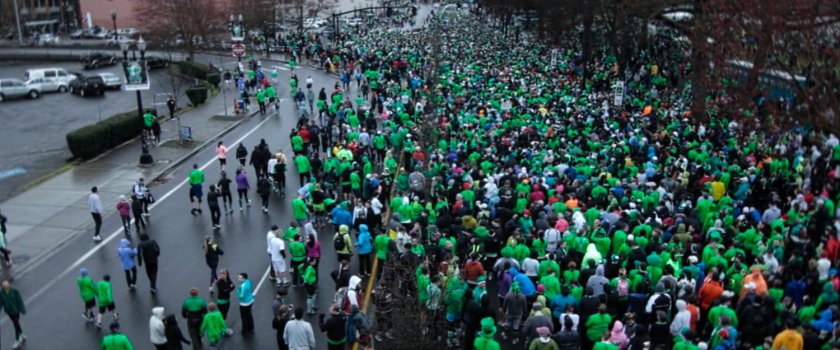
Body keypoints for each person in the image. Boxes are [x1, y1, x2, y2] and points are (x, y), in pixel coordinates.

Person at [0, 279, 25, 348]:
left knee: (15, 324)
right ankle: (22, 333)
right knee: (16, 324)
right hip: (9, 312)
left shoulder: (15, 290)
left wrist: (22, 309)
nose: (5, 286)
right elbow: (0, 303)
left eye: (6, 284)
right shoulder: (1, 292)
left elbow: (19, 300)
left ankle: (17, 340)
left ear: (9, 284)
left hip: (16, 310)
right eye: (3, 285)